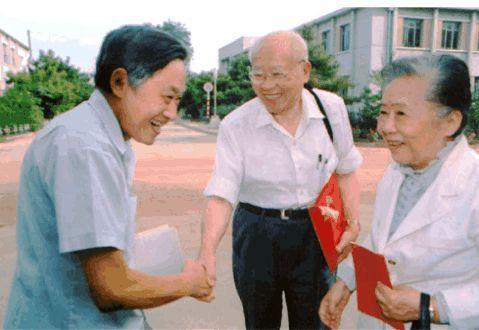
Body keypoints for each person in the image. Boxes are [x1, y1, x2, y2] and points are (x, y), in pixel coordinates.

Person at [3, 25, 213, 329]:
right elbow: (111, 288)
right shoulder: (85, 147)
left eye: (177, 100)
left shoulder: (100, 137)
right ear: (119, 82)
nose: (171, 113)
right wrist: (188, 283)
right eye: (167, 97)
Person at [199, 30, 362, 329]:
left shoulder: (331, 109)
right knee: (260, 322)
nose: (267, 86)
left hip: (317, 228)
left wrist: (353, 222)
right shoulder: (237, 124)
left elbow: (346, 168)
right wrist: (206, 250)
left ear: (305, 70)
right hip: (257, 233)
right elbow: (222, 192)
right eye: (258, 75)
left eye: (277, 74)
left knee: (317, 321)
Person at [319, 54, 479, 329]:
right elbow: (383, 242)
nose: (384, 127)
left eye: (401, 114)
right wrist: (347, 281)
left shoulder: (473, 186)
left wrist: (431, 307)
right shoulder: (398, 169)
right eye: (383, 112)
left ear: (450, 122)